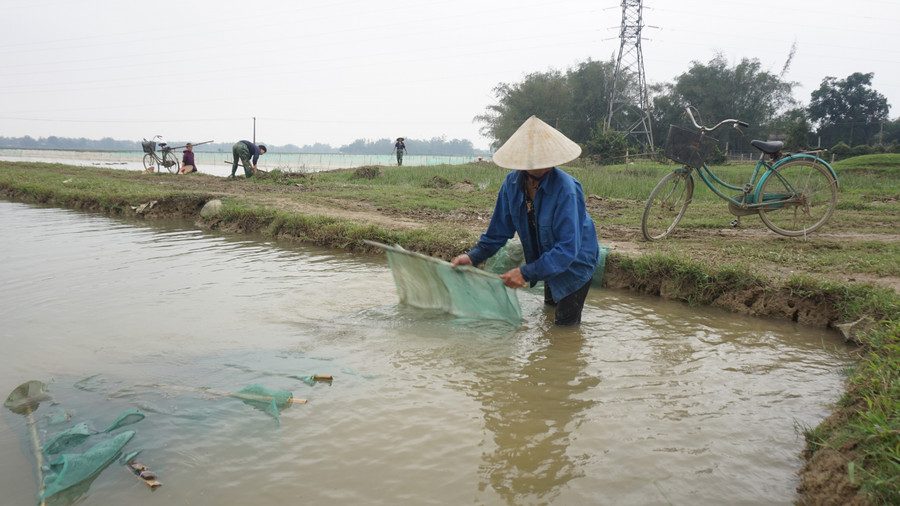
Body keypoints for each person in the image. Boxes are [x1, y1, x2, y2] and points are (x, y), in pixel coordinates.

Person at [451, 115, 599, 326]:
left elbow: (567, 249)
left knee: (565, 327)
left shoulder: (567, 190)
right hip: (546, 257)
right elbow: (498, 231)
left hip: (575, 261)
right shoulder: (512, 184)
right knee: (549, 312)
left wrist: (524, 272)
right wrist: (473, 257)